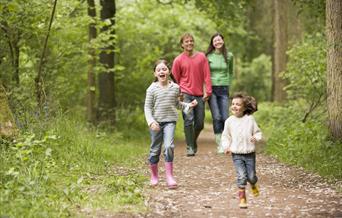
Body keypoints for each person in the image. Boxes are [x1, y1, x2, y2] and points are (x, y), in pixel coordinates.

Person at [144, 59, 198, 189]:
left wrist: (188, 106)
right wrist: (151, 122)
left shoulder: (175, 87)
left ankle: (169, 176)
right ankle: (154, 176)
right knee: (155, 150)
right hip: (156, 123)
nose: (162, 71)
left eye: (164, 69)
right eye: (158, 70)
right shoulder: (151, 89)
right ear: (155, 74)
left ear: (169, 71)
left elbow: (177, 104)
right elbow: (147, 108)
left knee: (169, 146)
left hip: (170, 122)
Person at [172, 33, 212, 156]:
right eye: (186, 41)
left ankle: (192, 141)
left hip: (199, 94)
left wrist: (208, 91)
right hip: (185, 94)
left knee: (199, 123)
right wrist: (178, 95)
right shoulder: (178, 60)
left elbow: (207, 75)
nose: (189, 43)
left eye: (191, 41)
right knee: (188, 120)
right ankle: (190, 147)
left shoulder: (201, 57)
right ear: (182, 45)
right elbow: (175, 80)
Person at [221, 92, 262, 208]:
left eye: (238, 104)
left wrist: (256, 137)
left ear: (244, 107)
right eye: (233, 104)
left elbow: (258, 132)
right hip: (236, 154)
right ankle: (242, 198)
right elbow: (225, 136)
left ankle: (253, 184)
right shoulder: (229, 121)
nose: (234, 106)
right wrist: (226, 146)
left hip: (250, 154)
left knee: (251, 176)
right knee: (241, 176)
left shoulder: (250, 119)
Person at [205, 33, 234, 154]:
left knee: (225, 117)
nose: (217, 42)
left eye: (219, 40)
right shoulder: (208, 56)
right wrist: (206, 89)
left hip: (224, 89)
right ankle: (220, 144)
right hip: (211, 89)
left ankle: (226, 142)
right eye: (215, 40)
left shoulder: (229, 56)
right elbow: (205, 74)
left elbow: (230, 72)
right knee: (216, 117)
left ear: (223, 41)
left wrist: (228, 84)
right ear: (212, 43)